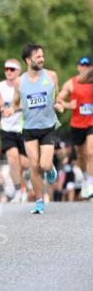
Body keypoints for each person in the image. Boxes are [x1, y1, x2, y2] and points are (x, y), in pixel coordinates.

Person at [9, 43, 63, 214]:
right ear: (28, 60)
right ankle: (39, 202)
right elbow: (16, 103)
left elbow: (58, 96)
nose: (42, 59)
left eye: (42, 56)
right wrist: (11, 109)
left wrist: (59, 104)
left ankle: (51, 169)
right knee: (34, 165)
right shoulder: (20, 82)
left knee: (45, 164)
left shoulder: (51, 76)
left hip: (48, 126)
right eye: (38, 56)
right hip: (29, 128)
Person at [57, 56, 93, 199]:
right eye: (82, 65)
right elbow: (59, 100)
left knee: (91, 152)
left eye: (87, 65)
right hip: (77, 125)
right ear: (78, 67)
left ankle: (90, 182)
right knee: (81, 155)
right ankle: (85, 177)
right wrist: (67, 105)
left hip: (91, 123)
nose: (84, 67)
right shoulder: (71, 83)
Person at [0, 58, 29, 202]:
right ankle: (18, 190)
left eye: (12, 69)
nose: (8, 72)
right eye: (6, 69)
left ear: (19, 71)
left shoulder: (25, 84)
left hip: (23, 128)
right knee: (13, 159)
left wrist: (13, 109)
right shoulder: (0, 86)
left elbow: (27, 103)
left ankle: (25, 184)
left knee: (26, 164)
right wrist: (2, 107)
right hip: (7, 128)